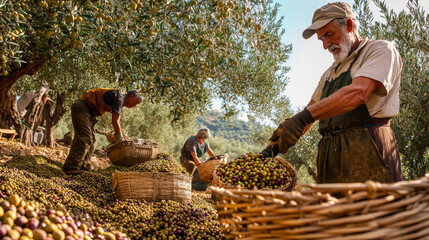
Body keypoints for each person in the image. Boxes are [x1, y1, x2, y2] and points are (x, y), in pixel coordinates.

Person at [261, 2, 404, 184]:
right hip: (331, 160)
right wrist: (274, 147)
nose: (326, 45)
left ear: (350, 26)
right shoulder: (329, 74)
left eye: (329, 35)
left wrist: (303, 118)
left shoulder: (380, 50)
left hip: (368, 154)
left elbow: (358, 93)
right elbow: (310, 113)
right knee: (332, 211)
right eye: (321, 39)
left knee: (374, 210)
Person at [62, 88, 143, 175]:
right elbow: (115, 121)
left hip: (90, 113)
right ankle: (71, 167)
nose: (134, 106)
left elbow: (116, 119)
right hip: (82, 108)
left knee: (93, 141)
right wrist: (120, 139)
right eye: (135, 103)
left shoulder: (120, 101)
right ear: (131, 96)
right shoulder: (120, 97)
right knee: (85, 138)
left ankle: (84, 168)